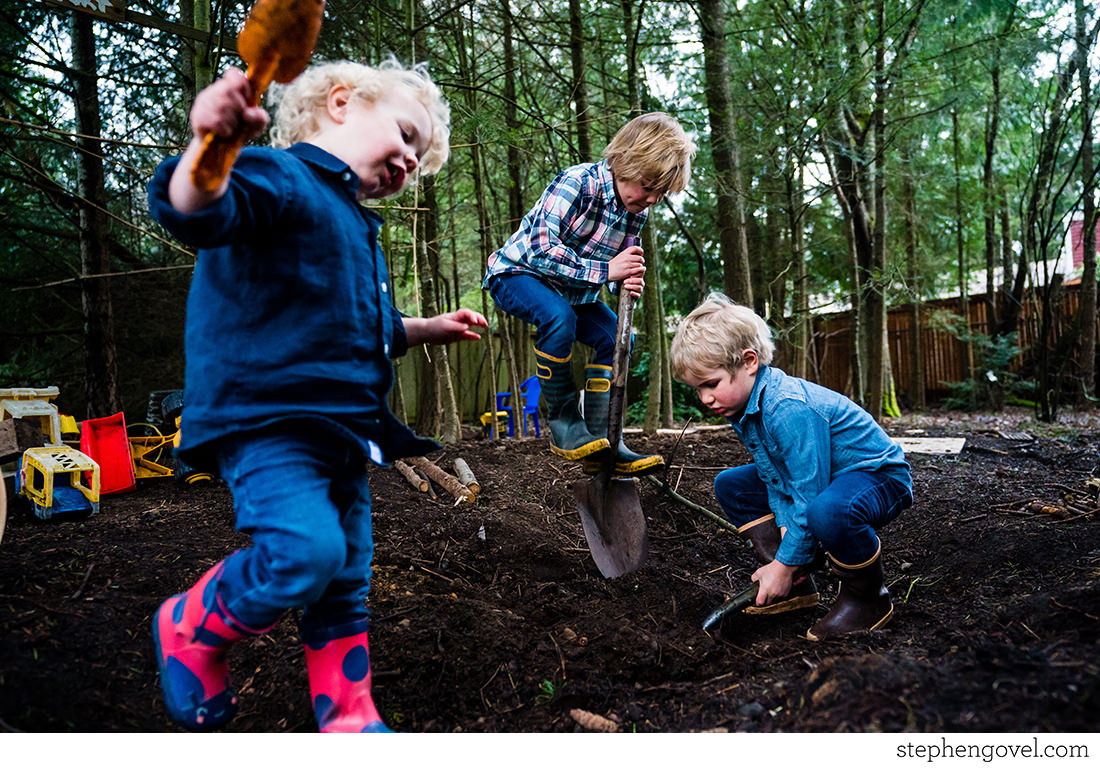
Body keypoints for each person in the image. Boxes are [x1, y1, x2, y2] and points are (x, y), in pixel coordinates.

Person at [146, 59, 487, 732]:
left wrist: (425, 329)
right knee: (306, 553)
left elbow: (358, 322)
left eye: (420, 155)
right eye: (406, 134)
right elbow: (196, 210)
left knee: (346, 574)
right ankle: (188, 626)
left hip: (344, 431)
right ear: (340, 104)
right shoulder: (280, 176)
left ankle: (349, 714)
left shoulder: (354, 224)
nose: (412, 160)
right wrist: (211, 145)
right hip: (270, 419)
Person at [670, 294, 913, 640]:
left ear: (749, 361)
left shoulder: (786, 407)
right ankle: (797, 584)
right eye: (698, 389)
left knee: (826, 510)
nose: (705, 398)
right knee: (733, 485)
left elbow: (806, 489)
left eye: (711, 384)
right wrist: (787, 547)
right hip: (829, 479)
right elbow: (776, 479)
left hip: (878, 477)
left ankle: (868, 597)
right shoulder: (746, 408)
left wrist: (784, 561)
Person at [483, 113, 696, 476]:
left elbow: (613, 265)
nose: (651, 199)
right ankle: (565, 426)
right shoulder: (577, 183)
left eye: (660, 194)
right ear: (624, 162)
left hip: (572, 291)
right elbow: (540, 250)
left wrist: (623, 280)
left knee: (618, 336)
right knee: (558, 317)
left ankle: (604, 441)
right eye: (647, 186)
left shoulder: (635, 211)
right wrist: (606, 272)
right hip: (517, 274)